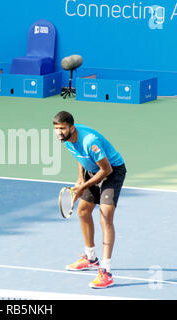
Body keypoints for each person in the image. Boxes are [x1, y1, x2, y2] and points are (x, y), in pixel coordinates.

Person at [53, 111, 127, 289]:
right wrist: (80, 178)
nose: (58, 133)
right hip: (93, 171)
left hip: (112, 172)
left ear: (72, 127)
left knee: (105, 216)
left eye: (62, 128)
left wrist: (84, 186)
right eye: (56, 129)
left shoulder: (89, 141)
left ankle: (106, 271)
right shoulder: (67, 138)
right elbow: (79, 157)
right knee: (83, 211)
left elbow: (107, 170)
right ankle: (90, 257)